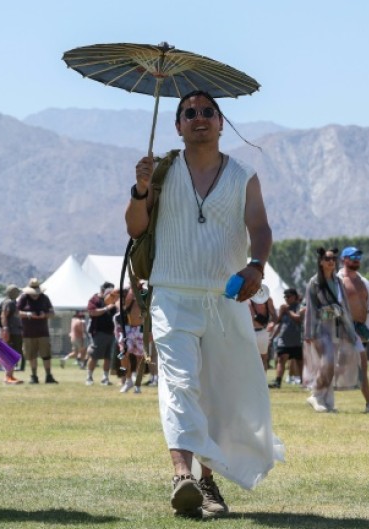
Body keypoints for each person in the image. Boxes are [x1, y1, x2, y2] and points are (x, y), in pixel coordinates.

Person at [127, 91, 283, 518]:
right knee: (179, 384)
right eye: (190, 112)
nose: (199, 117)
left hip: (225, 299)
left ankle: (207, 481)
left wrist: (257, 265)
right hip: (171, 295)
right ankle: (183, 475)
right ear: (177, 125)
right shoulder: (160, 172)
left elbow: (260, 227)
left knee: (217, 395)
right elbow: (135, 228)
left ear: (220, 122)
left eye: (207, 112)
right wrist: (140, 190)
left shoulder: (244, 175)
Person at [302, 247, 363, 412]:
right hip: (319, 328)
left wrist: (350, 330)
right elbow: (310, 309)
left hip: (337, 328)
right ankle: (316, 395)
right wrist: (309, 333)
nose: (331, 262)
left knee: (332, 365)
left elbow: (345, 307)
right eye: (327, 259)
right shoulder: (314, 282)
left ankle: (328, 401)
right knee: (327, 362)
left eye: (333, 259)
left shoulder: (338, 282)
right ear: (321, 262)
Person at [336, 246, 369, 413]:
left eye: (358, 257)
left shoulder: (364, 282)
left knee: (359, 366)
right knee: (352, 364)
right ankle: (319, 395)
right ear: (344, 260)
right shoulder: (337, 281)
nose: (356, 260)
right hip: (343, 329)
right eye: (352, 257)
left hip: (360, 330)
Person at [17, 278, 57, 384]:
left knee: (46, 355)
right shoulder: (23, 298)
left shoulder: (45, 298)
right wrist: (28, 314)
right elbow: (17, 312)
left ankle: (48, 376)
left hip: (43, 333)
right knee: (31, 356)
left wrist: (45, 315)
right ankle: (34, 376)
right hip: (28, 333)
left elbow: (52, 313)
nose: (35, 295)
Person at [268, 289, 303, 389]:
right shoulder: (283, 308)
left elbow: (298, 319)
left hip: (297, 341)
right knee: (281, 359)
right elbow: (279, 323)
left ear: (295, 297)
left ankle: (304, 382)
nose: (286, 299)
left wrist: (287, 311)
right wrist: (272, 337)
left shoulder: (300, 307)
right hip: (284, 340)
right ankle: (278, 381)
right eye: (285, 297)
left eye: (288, 296)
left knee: (300, 362)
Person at [85, 282, 119, 386]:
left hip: (112, 332)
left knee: (108, 357)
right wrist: (106, 308)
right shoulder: (94, 299)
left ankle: (105, 378)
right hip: (99, 332)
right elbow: (92, 312)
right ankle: (89, 377)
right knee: (94, 355)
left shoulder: (113, 300)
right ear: (103, 290)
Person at [116, 287, 144, 394]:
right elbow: (110, 301)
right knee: (123, 354)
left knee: (141, 357)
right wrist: (132, 289)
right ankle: (128, 381)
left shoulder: (145, 293)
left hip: (141, 329)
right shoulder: (125, 293)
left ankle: (138, 383)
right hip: (127, 328)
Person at [0, 285, 23, 384]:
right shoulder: (9, 303)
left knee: (14, 353)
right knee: (9, 354)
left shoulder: (14, 302)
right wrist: (5, 329)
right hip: (11, 332)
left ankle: (11, 375)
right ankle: (8, 376)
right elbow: (4, 315)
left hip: (16, 331)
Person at [249, 292, 277, 370]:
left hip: (262, 332)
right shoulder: (245, 298)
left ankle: (263, 377)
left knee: (263, 358)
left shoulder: (267, 299)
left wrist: (272, 323)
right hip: (248, 332)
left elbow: (274, 316)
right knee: (249, 358)